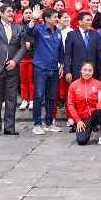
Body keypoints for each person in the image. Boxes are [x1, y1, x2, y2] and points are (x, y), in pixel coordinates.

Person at [0, 5, 27, 137]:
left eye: (12, 11)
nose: (11, 13)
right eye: (8, 11)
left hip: (12, 68)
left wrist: (15, 61)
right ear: (0, 14)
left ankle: (9, 127)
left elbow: (23, 47)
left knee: (11, 99)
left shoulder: (18, 27)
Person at [26, 7, 65, 135]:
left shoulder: (58, 32)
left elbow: (60, 50)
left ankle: (49, 122)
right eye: (54, 17)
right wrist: (34, 19)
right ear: (47, 19)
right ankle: (37, 124)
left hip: (54, 69)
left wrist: (62, 64)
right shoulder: (39, 29)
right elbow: (28, 31)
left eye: (57, 17)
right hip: (41, 68)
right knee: (38, 96)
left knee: (52, 97)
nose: (57, 19)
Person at [67, 61, 101, 146]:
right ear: (80, 70)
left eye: (90, 70)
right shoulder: (73, 85)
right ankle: (89, 128)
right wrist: (78, 121)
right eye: (85, 70)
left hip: (96, 115)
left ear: (93, 72)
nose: (87, 73)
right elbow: (70, 104)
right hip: (83, 118)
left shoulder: (98, 83)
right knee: (81, 141)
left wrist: (99, 106)